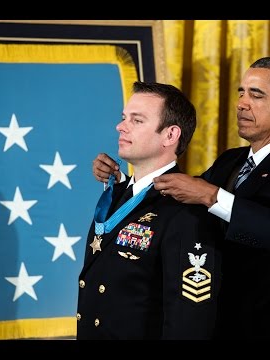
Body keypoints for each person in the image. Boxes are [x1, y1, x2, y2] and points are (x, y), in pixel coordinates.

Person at [91, 57, 270, 340]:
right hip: (220, 325)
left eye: (256, 95)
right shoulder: (231, 160)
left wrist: (214, 196)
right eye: (241, 92)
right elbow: (176, 197)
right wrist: (121, 182)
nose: (242, 103)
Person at [77, 81, 222, 340]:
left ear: (170, 135)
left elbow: (188, 320)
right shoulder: (119, 194)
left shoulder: (185, 211)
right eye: (124, 118)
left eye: (137, 120)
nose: (121, 126)